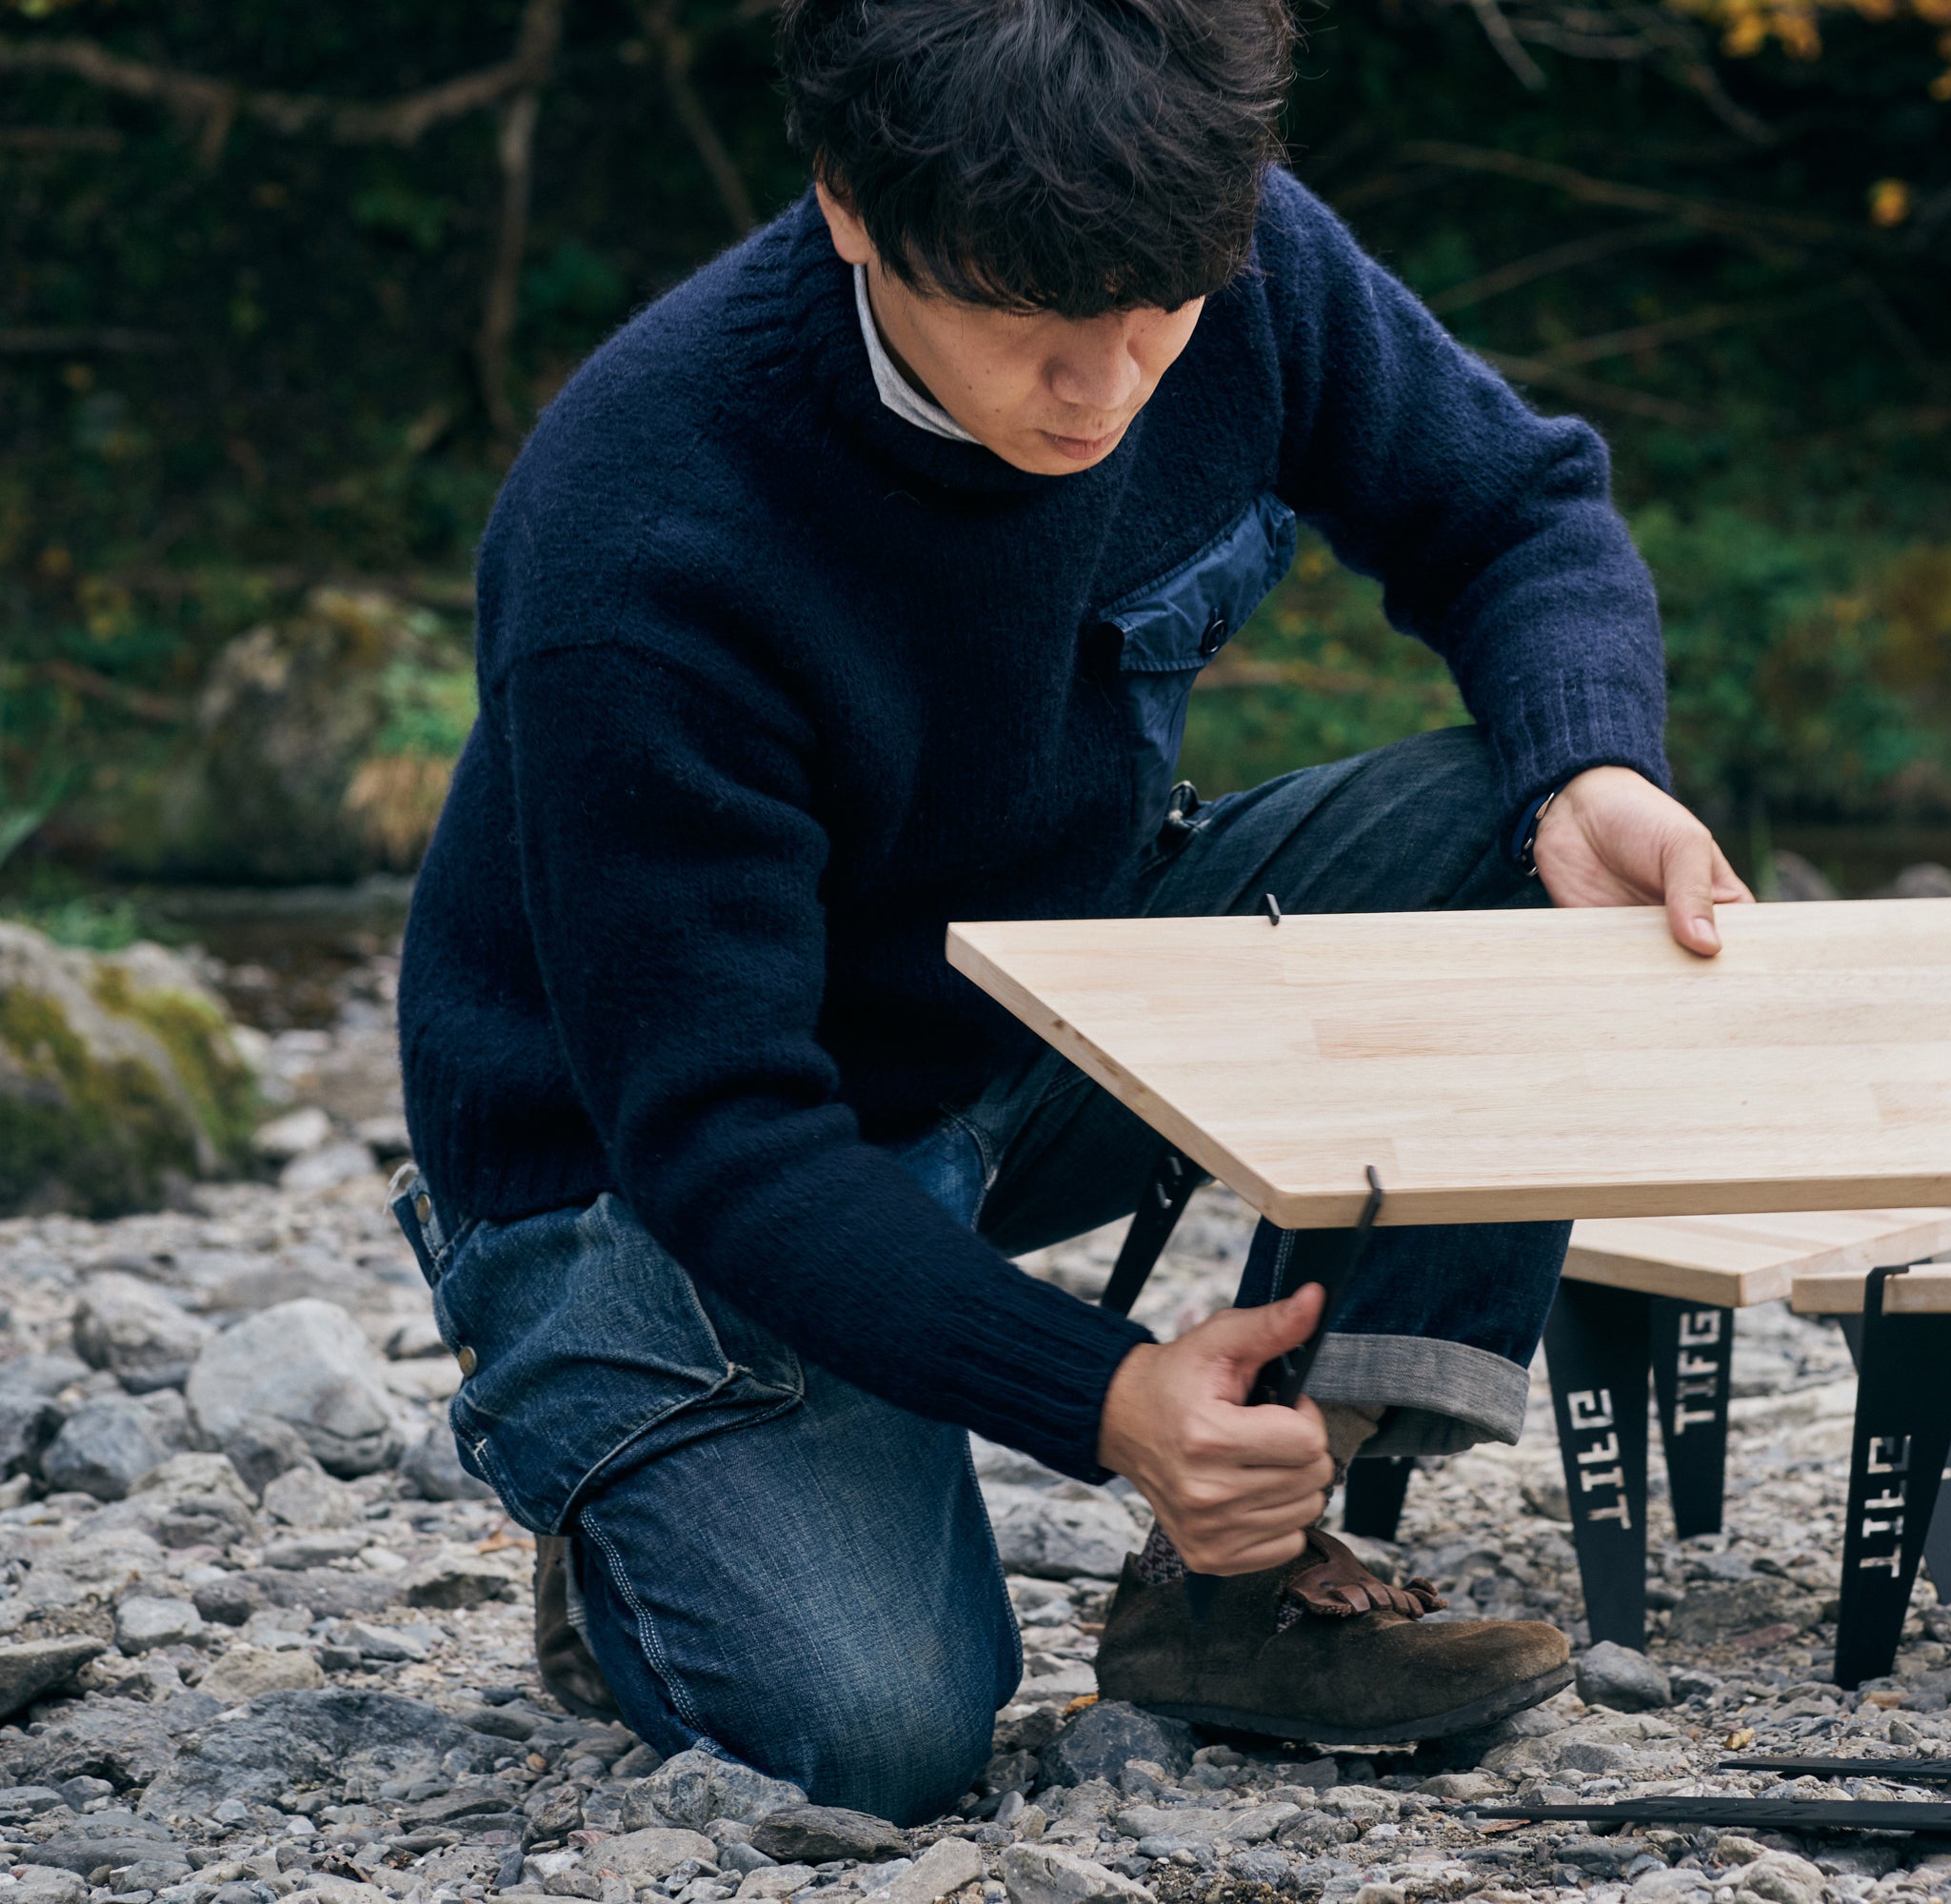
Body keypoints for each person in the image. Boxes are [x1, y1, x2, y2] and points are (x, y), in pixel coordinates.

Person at [394, 0, 1748, 1823]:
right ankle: (627, 1486)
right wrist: (1112, 1398)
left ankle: (1247, 1570)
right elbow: (716, 1131)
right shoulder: (642, 534)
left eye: (1156, 319)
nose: (1107, 388)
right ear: (852, 209)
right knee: (879, 1738)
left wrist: (1600, 769)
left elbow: (1512, 513)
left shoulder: (1230, 248)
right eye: (1031, 325)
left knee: (1526, 845)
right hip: (650, 1165)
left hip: (1028, 1007)